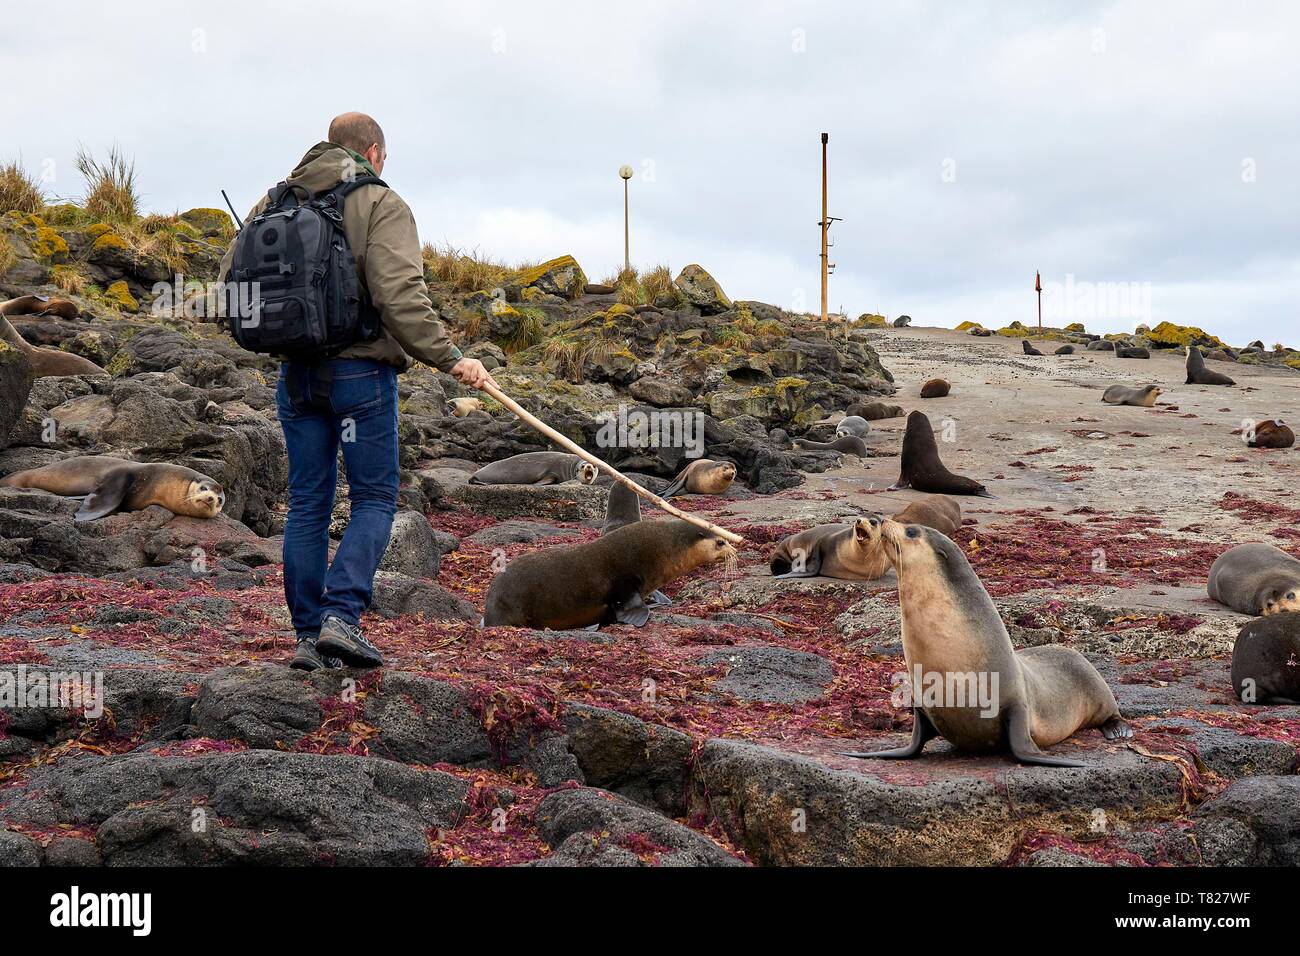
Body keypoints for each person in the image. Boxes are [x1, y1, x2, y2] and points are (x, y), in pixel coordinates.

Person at [219, 112, 497, 672]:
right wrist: (452, 359)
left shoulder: (273, 203)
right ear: (373, 152)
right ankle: (340, 619)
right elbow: (401, 298)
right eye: (384, 159)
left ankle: (305, 637)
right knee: (373, 497)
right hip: (360, 377)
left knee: (307, 505)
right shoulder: (380, 203)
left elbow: (229, 284)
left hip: (295, 376)